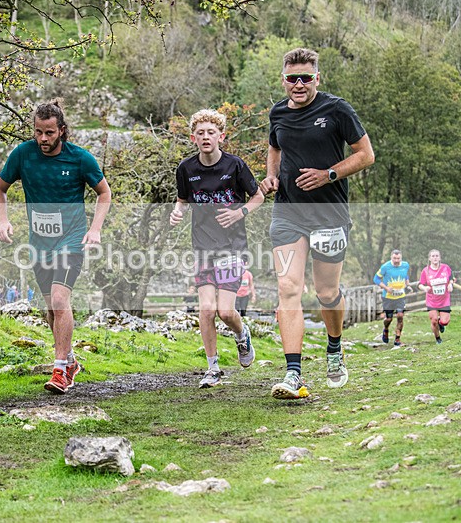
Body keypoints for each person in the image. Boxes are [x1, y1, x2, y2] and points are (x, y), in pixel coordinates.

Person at [258, 47, 375, 399]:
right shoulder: (277, 112)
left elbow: (366, 155)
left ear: (316, 78)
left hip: (329, 215)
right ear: (284, 79)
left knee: (326, 293)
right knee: (288, 287)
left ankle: (335, 348)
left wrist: (329, 174)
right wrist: (271, 177)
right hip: (287, 214)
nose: (298, 84)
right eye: (292, 78)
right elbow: (275, 149)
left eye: (305, 78)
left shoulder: (337, 109)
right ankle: (293, 373)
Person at [0, 99, 111, 394]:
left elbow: (104, 193)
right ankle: (69, 360)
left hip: (71, 239)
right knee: (50, 309)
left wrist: (95, 229)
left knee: (59, 301)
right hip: (39, 243)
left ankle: (59, 372)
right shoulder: (23, 154)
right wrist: (3, 221)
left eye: (49, 133)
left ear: (61, 130)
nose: (43, 139)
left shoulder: (80, 159)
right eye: (38, 132)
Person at [170, 109, 264, 388]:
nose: (206, 137)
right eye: (200, 133)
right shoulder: (186, 169)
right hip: (202, 246)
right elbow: (182, 200)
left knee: (225, 311)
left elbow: (258, 197)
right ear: (193, 138)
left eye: (211, 132)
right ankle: (212, 368)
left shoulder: (235, 166)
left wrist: (240, 213)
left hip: (232, 247)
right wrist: (177, 212)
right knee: (207, 309)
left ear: (221, 136)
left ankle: (241, 334)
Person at [373, 250, 411, 347]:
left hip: (400, 296)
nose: (396, 260)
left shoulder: (405, 265)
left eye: (398, 258)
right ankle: (385, 329)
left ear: (401, 258)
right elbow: (376, 279)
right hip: (388, 297)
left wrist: (407, 285)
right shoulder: (385, 267)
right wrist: (386, 288)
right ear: (391, 258)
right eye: (394, 258)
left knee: (400, 316)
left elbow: (405, 275)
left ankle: (397, 339)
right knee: (389, 319)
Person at [419, 249, 454, 344]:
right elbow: (420, 284)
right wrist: (425, 288)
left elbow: (451, 278)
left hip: (444, 300)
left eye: (437, 256)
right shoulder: (426, 271)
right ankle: (438, 338)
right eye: (433, 256)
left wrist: (450, 284)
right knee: (434, 320)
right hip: (432, 300)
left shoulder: (446, 268)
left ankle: (441, 323)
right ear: (429, 258)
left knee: (445, 321)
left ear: (440, 258)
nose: (435, 258)